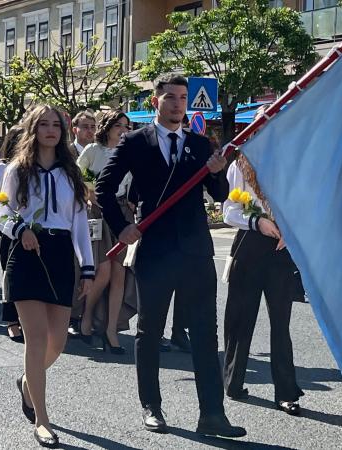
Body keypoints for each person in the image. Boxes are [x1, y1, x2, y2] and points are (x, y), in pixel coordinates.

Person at [95, 74, 245, 437]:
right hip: (155, 247)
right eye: (170, 98)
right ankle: (151, 406)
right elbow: (104, 187)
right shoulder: (135, 141)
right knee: (150, 331)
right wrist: (123, 225)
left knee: (205, 334)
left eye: (182, 98)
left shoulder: (197, 141)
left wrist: (216, 172)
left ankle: (212, 413)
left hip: (195, 249)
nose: (178, 104)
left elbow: (219, 193)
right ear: (156, 101)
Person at [0, 104, 94, 448]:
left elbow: (80, 225)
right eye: (44, 124)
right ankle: (42, 419)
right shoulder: (17, 170)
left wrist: (89, 266)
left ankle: (27, 382)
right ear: (33, 129)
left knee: (58, 343)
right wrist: (20, 227)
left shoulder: (71, 174)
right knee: (35, 340)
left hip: (60, 254)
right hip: (26, 254)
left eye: (56, 125)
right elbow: (1, 215)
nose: (51, 130)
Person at [221, 154, 304, 416]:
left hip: (281, 246)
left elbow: (305, 204)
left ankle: (286, 392)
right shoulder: (240, 164)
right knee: (240, 317)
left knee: (281, 321)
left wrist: (292, 231)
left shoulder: (292, 161)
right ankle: (233, 381)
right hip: (250, 242)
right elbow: (229, 211)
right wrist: (257, 221)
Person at [76, 110, 132, 353]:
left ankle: (111, 329)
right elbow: (77, 175)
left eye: (127, 126)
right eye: (119, 125)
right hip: (98, 212)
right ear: (108, 127)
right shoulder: (93, 151)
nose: (123, 130)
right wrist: (88, 193)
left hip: (121, 213)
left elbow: (136, 181)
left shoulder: (129, 152)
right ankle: (87, 317)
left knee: (120, 274)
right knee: (103, 272)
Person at [0, 125, 24, 342]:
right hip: (7, 226)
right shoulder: (2, 168)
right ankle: (11, 320)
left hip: (29, 227)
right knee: (9, 274)